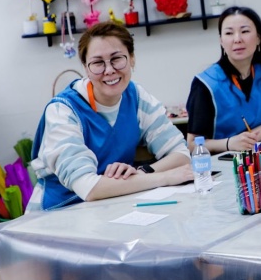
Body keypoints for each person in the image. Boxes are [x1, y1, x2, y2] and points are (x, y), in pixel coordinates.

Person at [29, 22, 192, 211]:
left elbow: (181, 154)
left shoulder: (137, 97)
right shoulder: (63, 111)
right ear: (86, 68)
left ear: (132, 59)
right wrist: (164, 177)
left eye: (117, 59)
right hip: (61, 211)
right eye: (98, 63)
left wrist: (143, 172)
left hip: (113, 204)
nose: (109, 70)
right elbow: (89, 188)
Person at [186, 6, 261, 153]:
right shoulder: (206, 83)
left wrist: (245, 141)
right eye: (229, 33)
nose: (237, 39)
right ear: (221, 41)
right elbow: (192, 144)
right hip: (222, 159)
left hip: (259, 153)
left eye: (245, 31)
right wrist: (230, 143)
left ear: (258, 38)